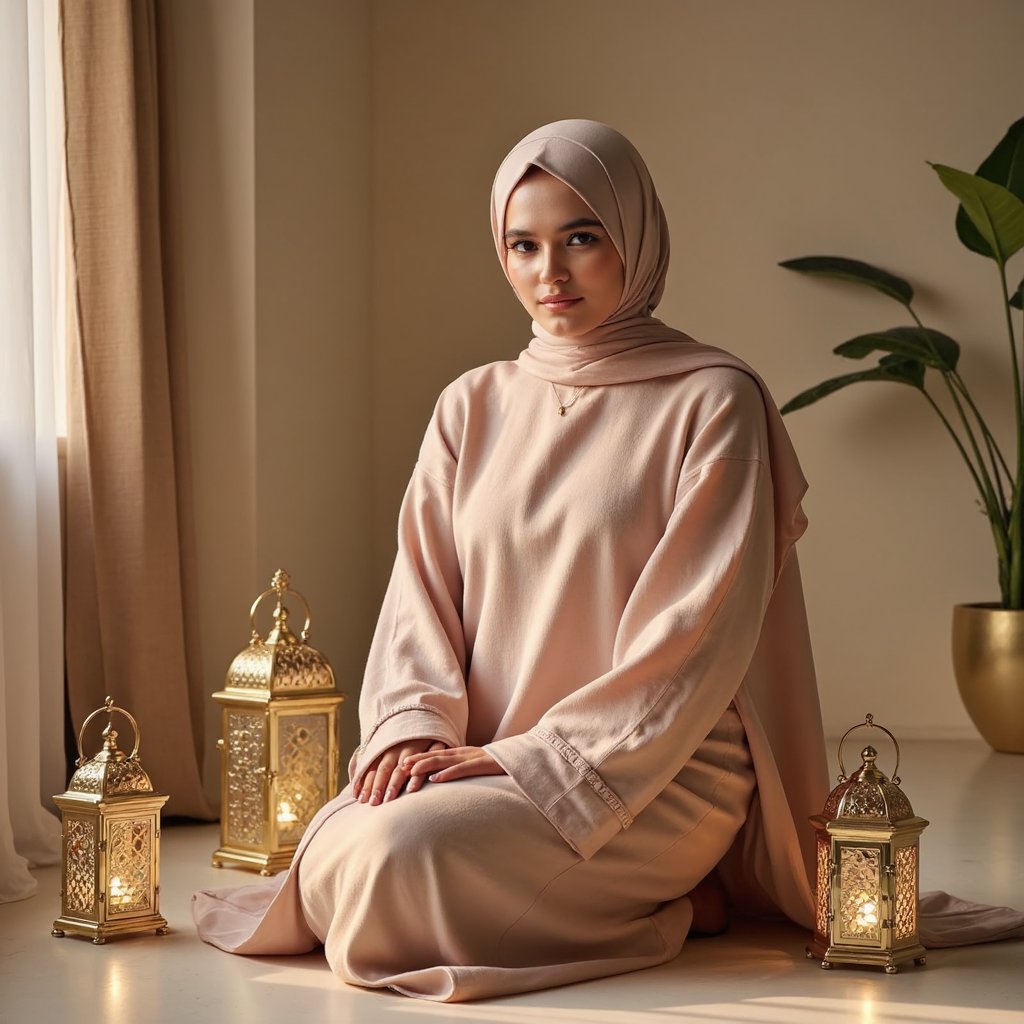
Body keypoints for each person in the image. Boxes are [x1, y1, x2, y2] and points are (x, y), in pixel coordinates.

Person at [192, 118, 832, 1002]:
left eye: (582, 238)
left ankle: (671, 889)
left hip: (649, 769)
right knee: (337, 850)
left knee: (390, 862)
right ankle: (659, 900)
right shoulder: (472, 404)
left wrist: (530, 760)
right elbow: (419, 596)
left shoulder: (714, 401)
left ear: (636, 241)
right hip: (478, 756)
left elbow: (694, 642)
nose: (550, 273)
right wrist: (415, 728)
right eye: (523, 245)